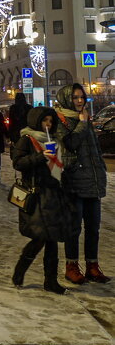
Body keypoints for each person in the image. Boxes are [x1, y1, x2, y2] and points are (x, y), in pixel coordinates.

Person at [11, 106, 70, 294]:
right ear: (37, 121)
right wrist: (40, 157)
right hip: (36, 195)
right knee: (39, 238)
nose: (48, 124)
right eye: (45, 121)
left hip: (53, 194)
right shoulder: (27, 139)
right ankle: (20, 271)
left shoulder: (53, 140)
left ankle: (50, 281)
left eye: (51, 122)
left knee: (52, 240)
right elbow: (18, 163)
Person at [55, 84, 110, 285]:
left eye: (82, 97)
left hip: (93, 180)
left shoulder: (85, 118)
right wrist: (82, 124)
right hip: (73, 182)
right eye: (76, 97)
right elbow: (70, 143)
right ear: (67, 99)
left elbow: (94, 148)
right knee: (74, 228)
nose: (80, 101)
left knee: (93, 228)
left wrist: (100, 168)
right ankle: (71, 266)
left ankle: (92, 266)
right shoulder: (60, 120)